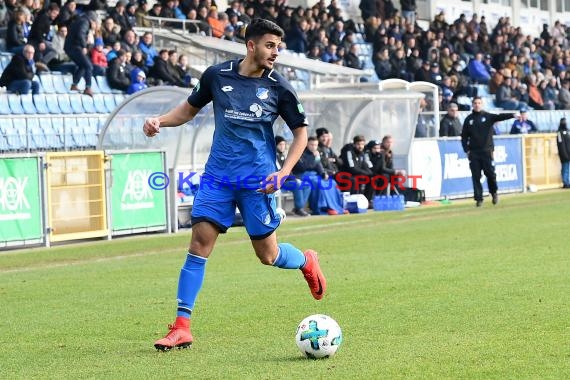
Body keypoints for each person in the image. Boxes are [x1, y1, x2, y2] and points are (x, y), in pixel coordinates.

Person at [143, 19, 326, 351]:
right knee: (199, 242)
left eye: (279, 47)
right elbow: (188, 109)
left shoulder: (279, 87)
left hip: (258, 182)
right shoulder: (217, 75)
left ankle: (306, 261)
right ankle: (182, 326)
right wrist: (160, 121)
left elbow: (301, 131)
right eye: (270, 46)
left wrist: (284, 172)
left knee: (268, 255)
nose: (276, 53)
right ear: (251, 46)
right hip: (218, 177)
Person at [461, 97, 515, 207]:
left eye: (479, 103)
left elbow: (500, 117)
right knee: (476, 176)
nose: (477, 105)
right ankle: (479, 199)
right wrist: (466, 150)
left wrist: (512, 115)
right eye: (475, 103)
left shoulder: (488, 116)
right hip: (474, 153)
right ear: (472, 105)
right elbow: (464, 137)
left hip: (487, 151)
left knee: (490, 174)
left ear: (482, 104)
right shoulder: (468, 119)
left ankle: (494, 192)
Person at [64, 11, 99, 96]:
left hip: (70, 46)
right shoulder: (85, 22)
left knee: (83, 65)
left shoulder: (81, 20)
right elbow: (81, 34)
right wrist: (84, 46)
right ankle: (88, 87)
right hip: (74, 47)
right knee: (89, 66)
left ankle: (74, 84)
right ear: (92, 20)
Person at [275, 135, 311, 217]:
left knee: (307, 185)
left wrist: (295, 179)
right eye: (280, 144)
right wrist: (294, 180)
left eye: (283, 144)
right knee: (296, 184)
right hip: (280, 182)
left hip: (288, 180)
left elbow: (289, 171)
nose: (282, 146)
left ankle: (298, 208)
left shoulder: (284, 156)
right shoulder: (275, 157)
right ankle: (299, 208)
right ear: (276, 145)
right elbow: (280, 172)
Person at [556, 118, 570, 188]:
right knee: (565, 168)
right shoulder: (559, 133)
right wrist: (564, 154)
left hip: (569, 153)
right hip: (564, 155)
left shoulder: (567, 131)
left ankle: (568, 181)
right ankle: (565, 182)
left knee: (568, 168)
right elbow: (561, 145)